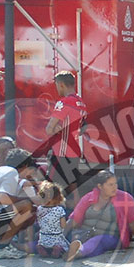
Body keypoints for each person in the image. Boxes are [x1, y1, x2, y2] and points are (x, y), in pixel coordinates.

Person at [64, 170, 134, 262]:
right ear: (100, 186)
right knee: (71, 236)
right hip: (85, 234)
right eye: (110, 185)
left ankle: (79, 252)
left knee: (98, 240)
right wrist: (61, 236)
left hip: (111, 237)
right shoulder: (88, 198)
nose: (115, 187)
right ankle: (63, 250)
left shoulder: (125, 198)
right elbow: (74, 219)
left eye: (115, 183)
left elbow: (133, 223)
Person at [45, 71, 88, 202]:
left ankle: (51, 213)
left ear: (61, 84)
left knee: (49, 188)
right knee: (72, 187)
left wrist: (56, 129)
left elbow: (49, 129)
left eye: (57, 86)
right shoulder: (81, 103)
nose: (57, 89)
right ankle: (77, 212)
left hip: (61, 152)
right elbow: (83, 129)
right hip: (74, 152)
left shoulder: (64, 102)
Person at [34, 181, 70, 258]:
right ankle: (57, 249)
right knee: (66, 246)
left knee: (44, 243)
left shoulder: (39, 209)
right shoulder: (59, 210)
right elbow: (63, 225)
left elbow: (38, 221)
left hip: (43, 237)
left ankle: (42, 247)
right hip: (56, 237)